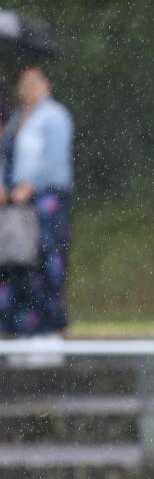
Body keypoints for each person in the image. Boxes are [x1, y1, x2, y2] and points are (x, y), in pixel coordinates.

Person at [0, 66, 74, 351]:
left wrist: (31, 185)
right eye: (24, 82)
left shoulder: (54, 117)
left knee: (47, 263)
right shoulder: (19, 118)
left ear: (47, 84)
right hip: (18, 207)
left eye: (34, 82)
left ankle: (49, 332)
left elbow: (55, 160)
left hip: (46, 202)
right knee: (16, 264)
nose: (28, 88)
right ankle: (21, 332)